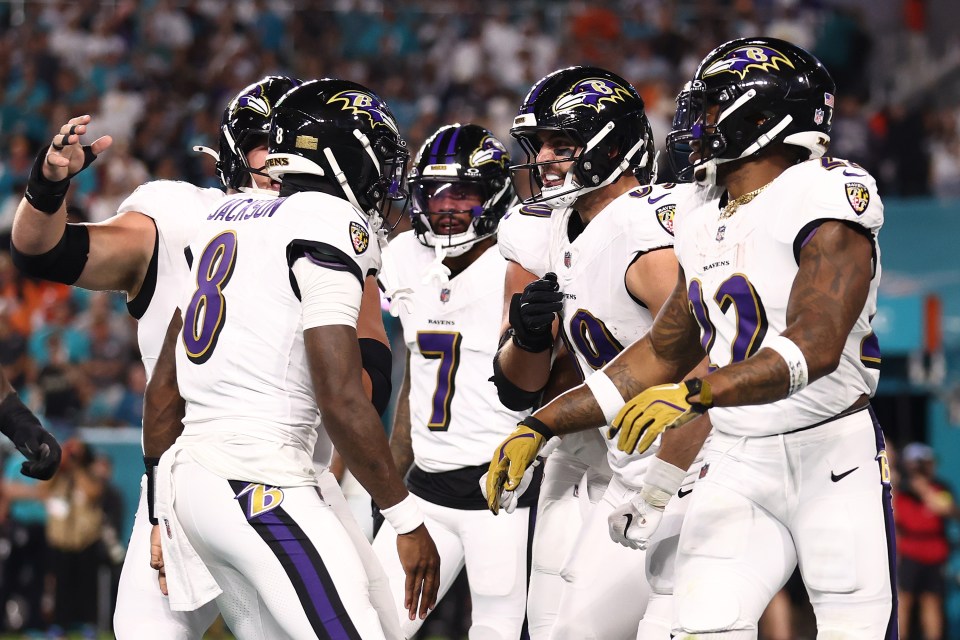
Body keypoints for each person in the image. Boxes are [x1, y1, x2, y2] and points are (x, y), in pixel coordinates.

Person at [487, 37, 895, 639]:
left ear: (761, 117)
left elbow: (815, 342)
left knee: (852, 626)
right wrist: (539, 424)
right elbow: (659, 353)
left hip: (830, 451)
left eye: (709, 107)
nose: (694, 123)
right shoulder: (705, 213)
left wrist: (697, 394)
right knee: (702, 626)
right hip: (737, 457)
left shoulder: (824, 190)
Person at [10, 75, 399, 639]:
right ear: (241, 158)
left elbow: (360, 393)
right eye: (276, 146)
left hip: (285, 473)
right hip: (199, 470)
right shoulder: (181, 214)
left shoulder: (321, 227)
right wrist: (47, 190)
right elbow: (43, 250)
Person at [144, 78, 440, 639]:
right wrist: (406, 518)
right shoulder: (326, 222)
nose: (384, 186)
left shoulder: (221, 218)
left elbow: (163, 390)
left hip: (196, 484)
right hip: (260, 481)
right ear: (345, 157)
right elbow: (341, 395)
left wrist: (163, 513)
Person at [489, 65, 712, 639]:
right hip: (626, 466)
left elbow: (708, 358)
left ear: (614, 146)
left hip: (692, 470)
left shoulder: (643, 231)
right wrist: (531, 336)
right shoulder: (557, 227)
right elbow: (516, 384)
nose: (543, 159)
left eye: (561, 144)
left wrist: (668, 478)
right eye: (538, 145)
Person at [373, 123, 534, 639]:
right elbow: (414, 384)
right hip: (424, 490)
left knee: (497, 631)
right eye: (435, 193)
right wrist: (391, 488)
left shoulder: (523, 258)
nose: (446, 206)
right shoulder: (402, 257)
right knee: (369, 626)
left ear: (493, 196)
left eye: (463, 193)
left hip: (504, 492)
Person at [895, 442, 956, 640]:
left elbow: (950, 510)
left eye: (925, 463)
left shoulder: (940, 488)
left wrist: (926, 491)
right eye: (916, 464)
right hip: (909, 555)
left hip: (935, 555)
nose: (921, 468)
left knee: (932, 602)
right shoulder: (901, 491)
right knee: (904, 602)